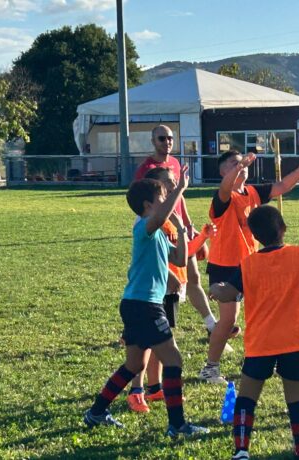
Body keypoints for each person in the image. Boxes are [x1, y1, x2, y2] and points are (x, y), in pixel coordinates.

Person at [84, 166, 209, 439]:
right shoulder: (144, 227)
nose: (167, 203)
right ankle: (177, 425)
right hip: (144, 306)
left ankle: (96, 412)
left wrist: (181, 230)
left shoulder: (160, 233)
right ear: (147, 205)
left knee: (134, 365)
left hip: (138, 304)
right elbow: (160, 216)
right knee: (174, 360)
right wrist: (180, 189)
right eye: (162, 198)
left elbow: (178, 260)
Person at [209, 205, 299, 460]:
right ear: (283, 229)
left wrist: (215, 287)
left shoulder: (248, 264)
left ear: (255, 237)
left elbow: (227, 293)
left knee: (247, 396)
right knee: (296, 395)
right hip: (295, 339)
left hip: (261, 342)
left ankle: (241, 450)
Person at [198, 142, 299, 384]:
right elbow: (225, 188)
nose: (241, 165)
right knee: (228, 320)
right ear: (223, 172)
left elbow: (283, 185)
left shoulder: (253, 192)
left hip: (251, 265)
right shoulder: (224, 197)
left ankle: (269, 359)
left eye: (241, 162)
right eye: (233, 164)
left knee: (263, 315)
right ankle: (210, 368)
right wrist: (240, 166)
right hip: (225, 266)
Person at [125, 167, 216, 414]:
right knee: (149, 354)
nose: (170, 195)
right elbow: (148, 258)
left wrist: (190, 233)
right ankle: (140, 394)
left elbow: (179, 257)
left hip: (160, 297)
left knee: (151, 350)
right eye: (167, 189)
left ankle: (150, 390)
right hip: (144, 299)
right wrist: (181, 189)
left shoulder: (165, 224)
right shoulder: (145, 222)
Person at [134, 125, 221, 336]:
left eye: (170, 138)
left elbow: (179, 195)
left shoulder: (173, 163)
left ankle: (211, 325)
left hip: (178, 226)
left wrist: (189, 225)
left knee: (192, 276)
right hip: (161, 226)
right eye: (162, 138)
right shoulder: (147, 168)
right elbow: (142, 201)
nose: (167, 142)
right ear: (153, 141)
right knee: (164, 281)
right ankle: (140, 330)